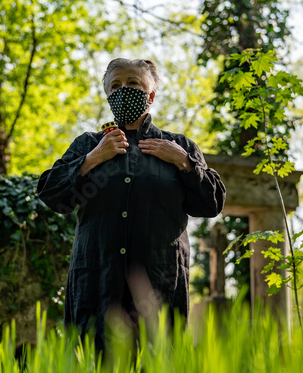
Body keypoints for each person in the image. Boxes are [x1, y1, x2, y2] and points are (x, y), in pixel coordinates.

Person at [37, 58, 226, 350]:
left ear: (151, 95)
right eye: (115, 85)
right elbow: (52, 194)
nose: (124, 90)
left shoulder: (180, 146)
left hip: (159, 286)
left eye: (133, 83)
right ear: (108, 96)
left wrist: (183, 162)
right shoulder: (88, 144)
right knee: (95, 361)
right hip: (96, 285)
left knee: (158, 360)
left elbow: (212, 203)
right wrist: (92, 159)